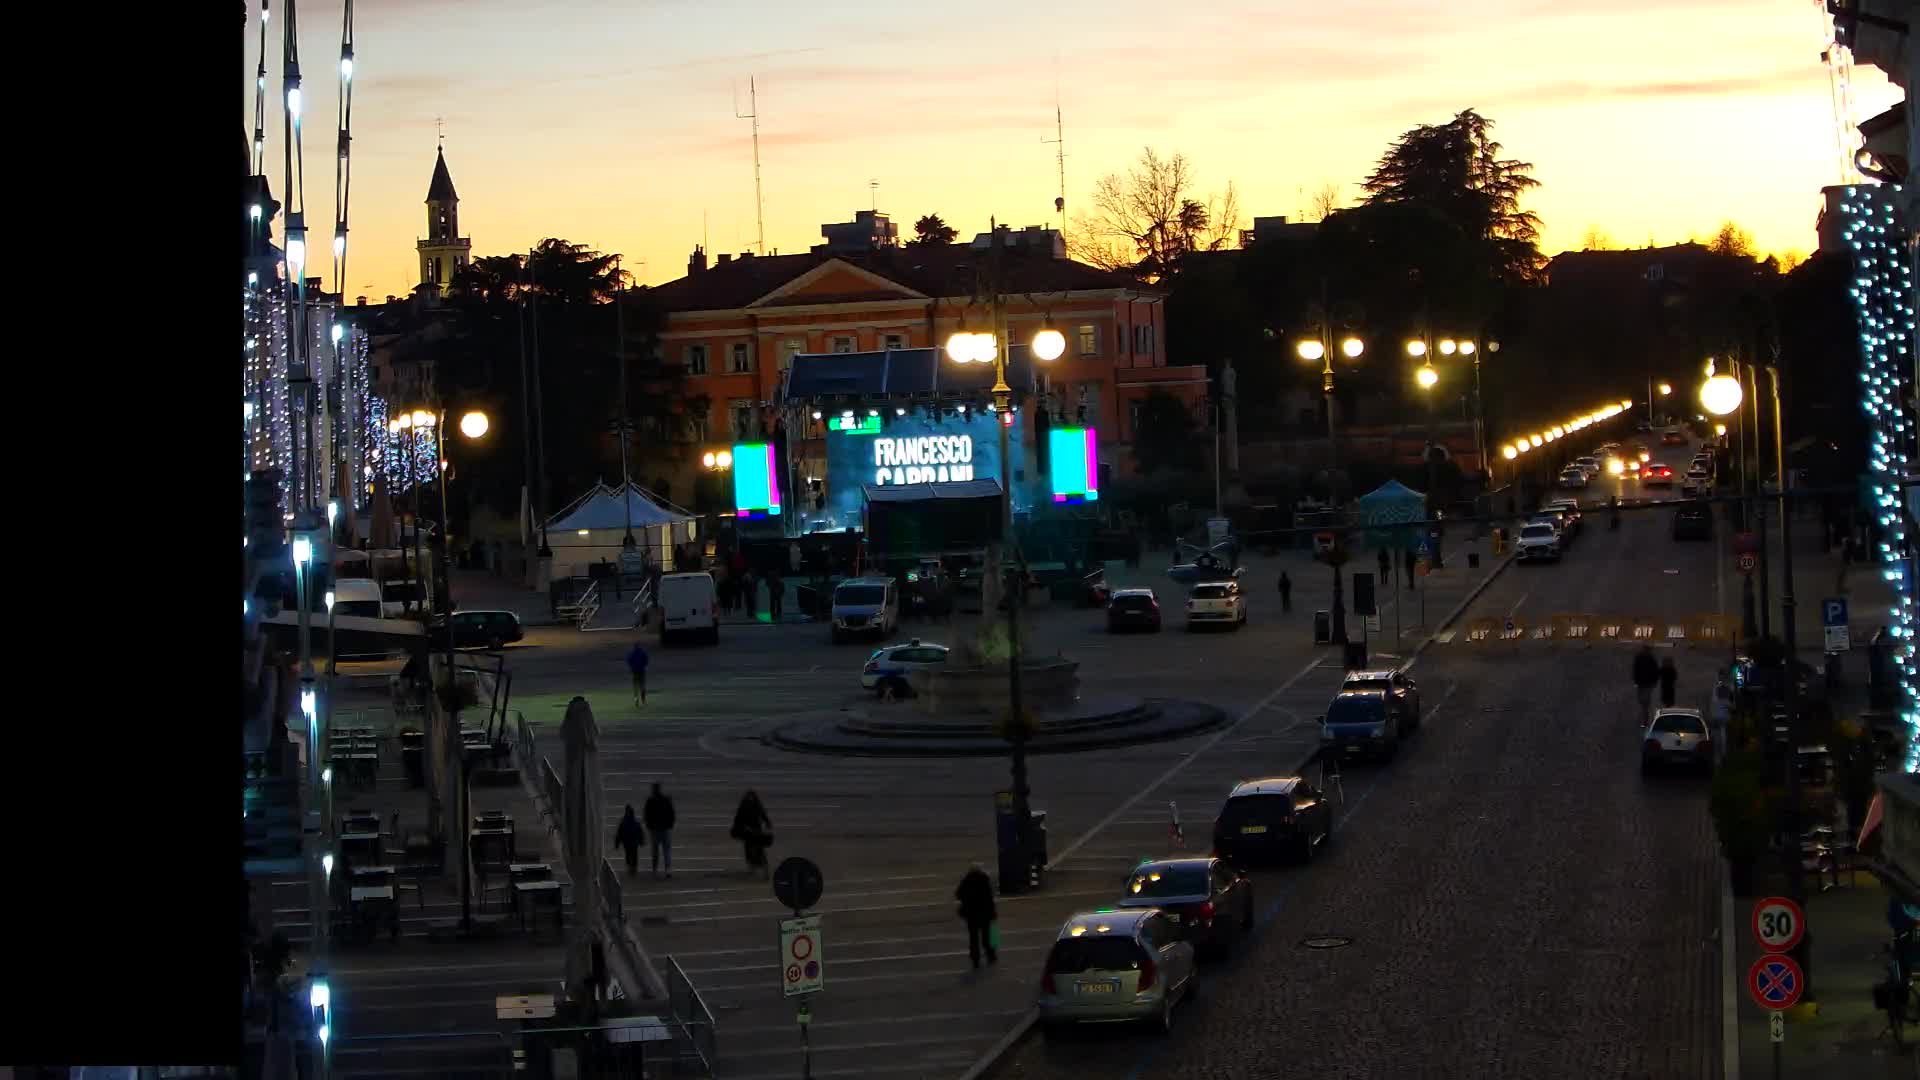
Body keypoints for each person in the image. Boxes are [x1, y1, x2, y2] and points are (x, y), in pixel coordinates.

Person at [955, 863, 998, 969]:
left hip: (971, 915)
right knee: (987, 937)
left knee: (973, 938)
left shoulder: (967, 881)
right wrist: (993, 913)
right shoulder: (984, 880)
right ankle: (991, 955)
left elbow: (958, 894)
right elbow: (989, 898)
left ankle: (975, 959)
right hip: (984, 914)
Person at [731, 790, 773, 878]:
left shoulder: (754, 806)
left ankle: (764, 871)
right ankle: (754, 868)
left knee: (759, 851)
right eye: (749, 798)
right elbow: (738, 818)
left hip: (756, 831)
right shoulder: (744, 806)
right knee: (750, 851)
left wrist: (768, 823)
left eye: (751, 798)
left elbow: (763, 815)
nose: (750, 799)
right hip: (749, 832)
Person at [642, 782, 676, 879]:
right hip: (665, 828)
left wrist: (649, 826)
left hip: (655, 830)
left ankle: (655, 870)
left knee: (655, 851)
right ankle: (667, 870)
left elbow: (646, 815)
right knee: (666, 850)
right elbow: (671, 813)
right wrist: (670, 824)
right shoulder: (666, 800)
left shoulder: (650, 801)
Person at [614, 805, 646, 876]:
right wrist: (641, 841)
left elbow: (619, 834)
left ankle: (629, 866)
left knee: (628, 854)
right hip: (634, 842)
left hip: (626, 842)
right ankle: (634, 867)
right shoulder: (636, 822)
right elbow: (640, 832)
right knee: (634, 854)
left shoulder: (623, 822)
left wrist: (617, 843)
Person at [1632, 645, 1660, 719]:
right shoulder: (1651, 658)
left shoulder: (1640, 657)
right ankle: (1645, 708)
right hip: (1647, 682)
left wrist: (1635, 681)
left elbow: (1635, 669)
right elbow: (1655, 671)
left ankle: (1645, 709)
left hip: (1642, 682)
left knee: (1642, 697)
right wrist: (1655, 681)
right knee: (1645, 697)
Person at [627, 641, 650, 706]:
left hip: (634, 671)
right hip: (641, 671)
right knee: (642, 686)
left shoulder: (631, 653)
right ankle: (643, 701)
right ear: (639, 646)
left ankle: (636, 699)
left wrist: (631, 667)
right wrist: (644, 665)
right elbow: (646, 659)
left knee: (635, 686)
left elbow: (629, 660)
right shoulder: (642, 652)